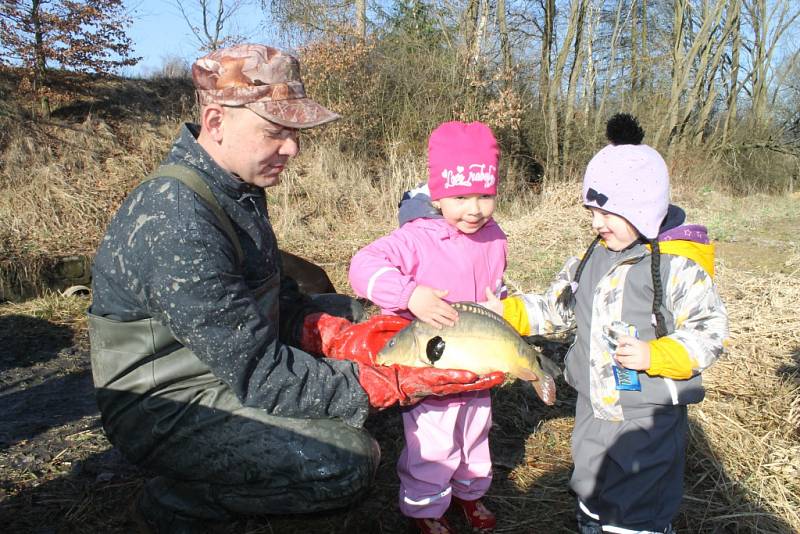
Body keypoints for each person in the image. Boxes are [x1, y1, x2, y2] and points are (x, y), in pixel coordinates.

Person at [88, 44, 503, 533]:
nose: (292, 149)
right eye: (275, 132)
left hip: (225, 359)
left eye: (295, 133)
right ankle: (177, 504)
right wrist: (375, 383)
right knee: (343, 461)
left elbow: (271, 298)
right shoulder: (177, 219)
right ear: (216, 121)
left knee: (364, 314)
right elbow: (259, 373)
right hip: (167, 403)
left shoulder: (237, 188)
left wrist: (329, 328)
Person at [482, 114, 729, 534]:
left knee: (637, 508)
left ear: (641, 208)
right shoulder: (593, 255)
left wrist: (658, 353)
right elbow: (558, 307)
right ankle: (594, 521)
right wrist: (512, 312)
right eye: (592, 211)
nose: (596, 223)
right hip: (594, 406)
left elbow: (709, 332)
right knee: (591, 487)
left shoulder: (677, 266)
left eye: (606, 212)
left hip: (646, 416)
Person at [349, 121, 508, 534]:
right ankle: (426, 510)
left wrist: (500, 306)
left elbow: (495, 286)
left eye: (485, 196)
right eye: (460, 197)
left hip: (476, 363)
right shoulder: (416, 237)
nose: (474, 208)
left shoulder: (494, 237)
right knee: (434, 442)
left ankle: (470, 495)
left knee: (476, 431)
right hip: (430, 367)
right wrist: (410, 295)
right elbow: (361, 266)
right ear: (437, 195)